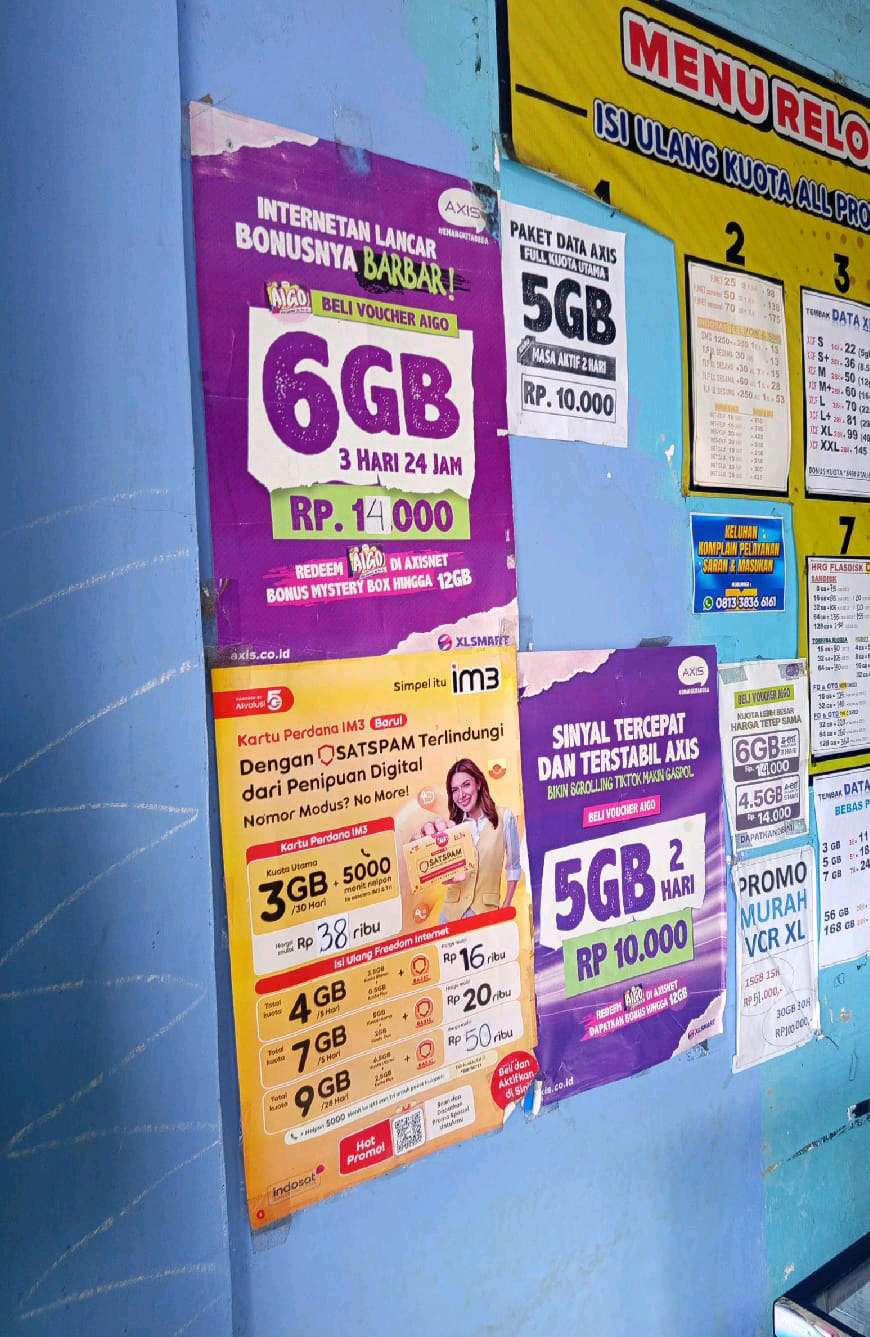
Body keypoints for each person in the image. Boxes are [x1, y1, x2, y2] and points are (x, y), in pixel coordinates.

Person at [414, 758, 521, 922]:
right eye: (455, 790)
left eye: (466, 785)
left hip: (486, 912)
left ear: (478, 783)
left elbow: (513, 866)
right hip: (450, 914)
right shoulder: (452, 826)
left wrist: (506, 905)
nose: (461, 795)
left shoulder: (505, 817)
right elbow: (445, 873)